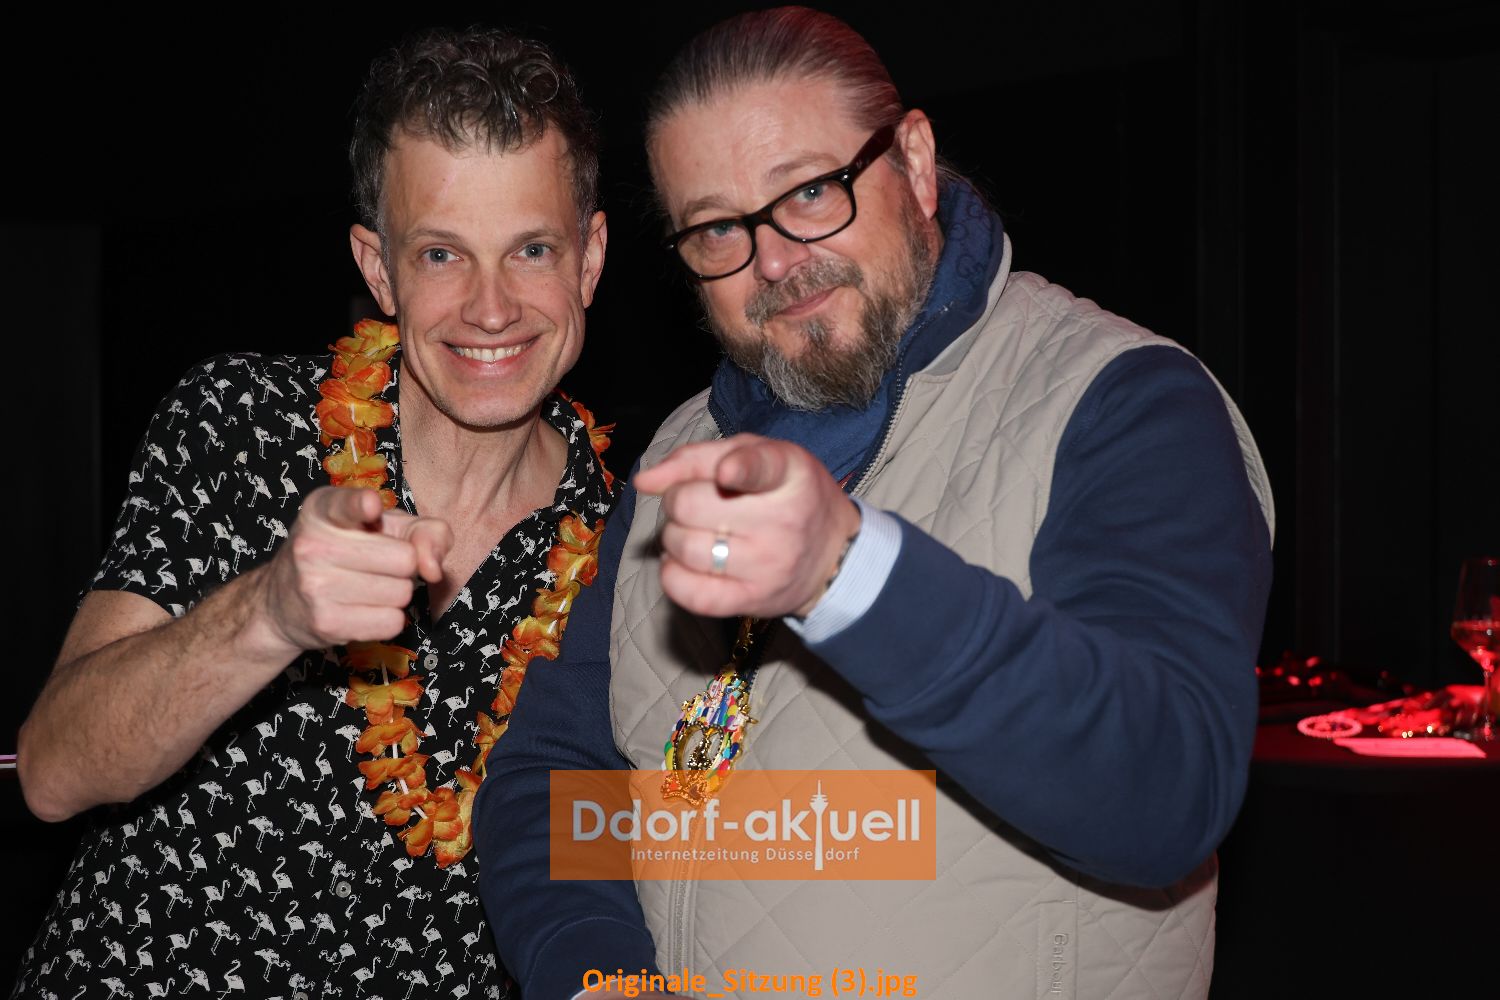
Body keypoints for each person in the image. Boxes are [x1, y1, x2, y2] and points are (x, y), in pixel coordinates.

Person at [474, 7, 1274, 1000]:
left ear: (915, 162)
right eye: (718, 227)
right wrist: (601, 976)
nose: (773, 259)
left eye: (811, 191)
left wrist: (846, 573)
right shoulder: (680, 454)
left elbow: (1163, 797)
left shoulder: (1120, 403)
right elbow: (554, 779)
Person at [14, 27, 615, 1000]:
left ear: (589, 258)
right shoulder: (239, 423)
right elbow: (52, 773)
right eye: (441, 254)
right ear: (379, 270)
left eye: (532, 250)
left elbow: (624, 858)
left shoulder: (629, 547)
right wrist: (271, 612)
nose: (491, 307)